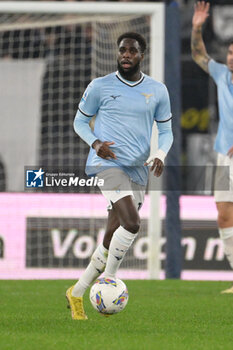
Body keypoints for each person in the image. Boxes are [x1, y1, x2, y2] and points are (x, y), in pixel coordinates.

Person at [66, 32, 173, 320]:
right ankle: (109, 279)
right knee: (133, 223)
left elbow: (166, 132)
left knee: (111, 235)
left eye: (132, 51)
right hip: (106, 166)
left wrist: (160, 154)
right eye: (122, 50)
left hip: (138, 169)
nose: (126, 55)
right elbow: (79, 121)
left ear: (142, 54)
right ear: (117, 53)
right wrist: (96, 143)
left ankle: (76, 292)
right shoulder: (99, 87)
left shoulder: (157, 90)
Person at [191, 2, 233, 293]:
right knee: (223, 214)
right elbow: (198, 55)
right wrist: (196, 27)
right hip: (224, 154)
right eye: (230, 53)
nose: (231, 58)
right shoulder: (221, 75)